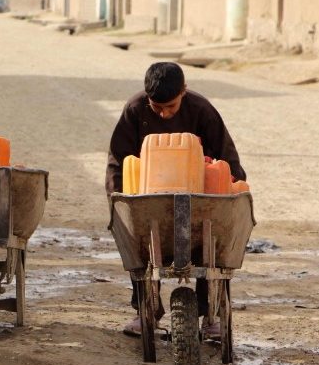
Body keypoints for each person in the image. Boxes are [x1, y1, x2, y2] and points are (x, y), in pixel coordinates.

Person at [105, 62, 246, 340]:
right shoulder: (135, 110)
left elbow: (229, 160)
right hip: (150, 202)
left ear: (184, 91)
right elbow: (118, 162)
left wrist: (230, 191)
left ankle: (212, 315)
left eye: (170, 106)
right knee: (136, 243)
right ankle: (146, 310)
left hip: (200, 204)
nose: (164, 113)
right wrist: (119, 203)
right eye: (157, 107)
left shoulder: (202, 110)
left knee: (216, 246)